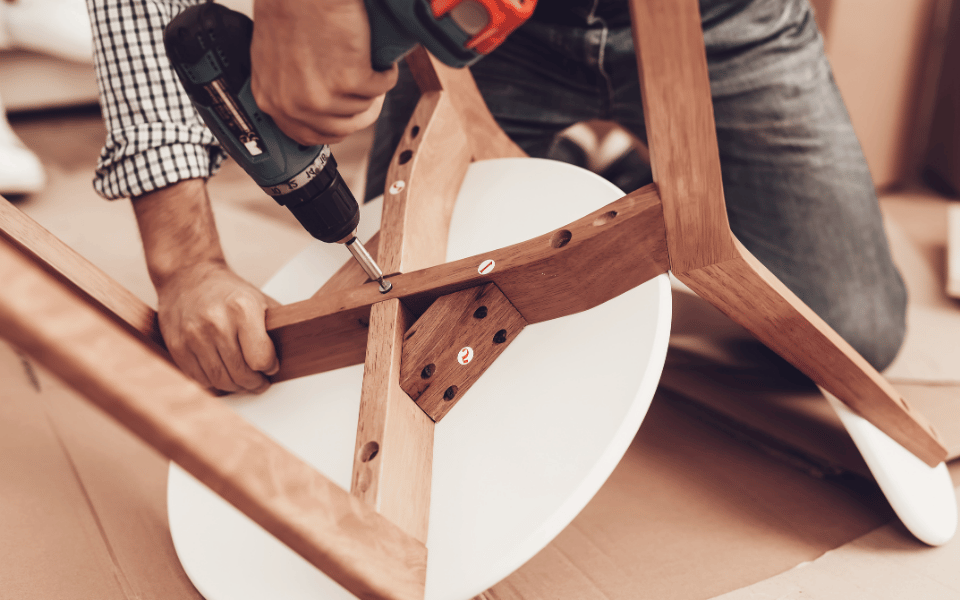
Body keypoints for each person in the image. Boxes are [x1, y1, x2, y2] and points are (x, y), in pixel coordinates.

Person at [87, 0, 908, 394]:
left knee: (853, 324)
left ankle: (610, 178)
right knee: (411, 329)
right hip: (492, 38)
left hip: (722, 18)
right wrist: (186, 263)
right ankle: (600, 174)